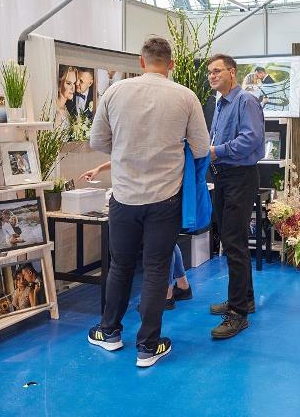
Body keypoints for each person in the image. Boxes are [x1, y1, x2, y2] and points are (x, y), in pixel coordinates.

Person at [87, 37, 210, 368]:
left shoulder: (115, 92)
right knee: (157, 268)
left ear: (141, 62)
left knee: (121, 265)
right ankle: (148, 347)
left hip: (124, 197)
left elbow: (97, 141)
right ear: (171, 64)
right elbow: (201, 148)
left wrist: (126, 148)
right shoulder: (185, 96)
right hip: (165, 199)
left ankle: (109, 332)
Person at [206, 53, 265, 340]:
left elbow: (251, 139)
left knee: (234, 242)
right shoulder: (221, 104)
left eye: (217, 71)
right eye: (210, 72)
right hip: (223, 176)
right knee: (232, 241)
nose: (212, 76)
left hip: (239, 176)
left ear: (232, 72)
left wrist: (217, 151)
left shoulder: (246, 101)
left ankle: (238, 314)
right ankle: (245, 299)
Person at [80, 161, 194, 307]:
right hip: (158, 197)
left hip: (157, 198)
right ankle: (182, 286)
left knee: (161, 246)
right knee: (168, 243)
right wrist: (99, 168)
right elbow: (126, 157)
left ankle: (167, 294)